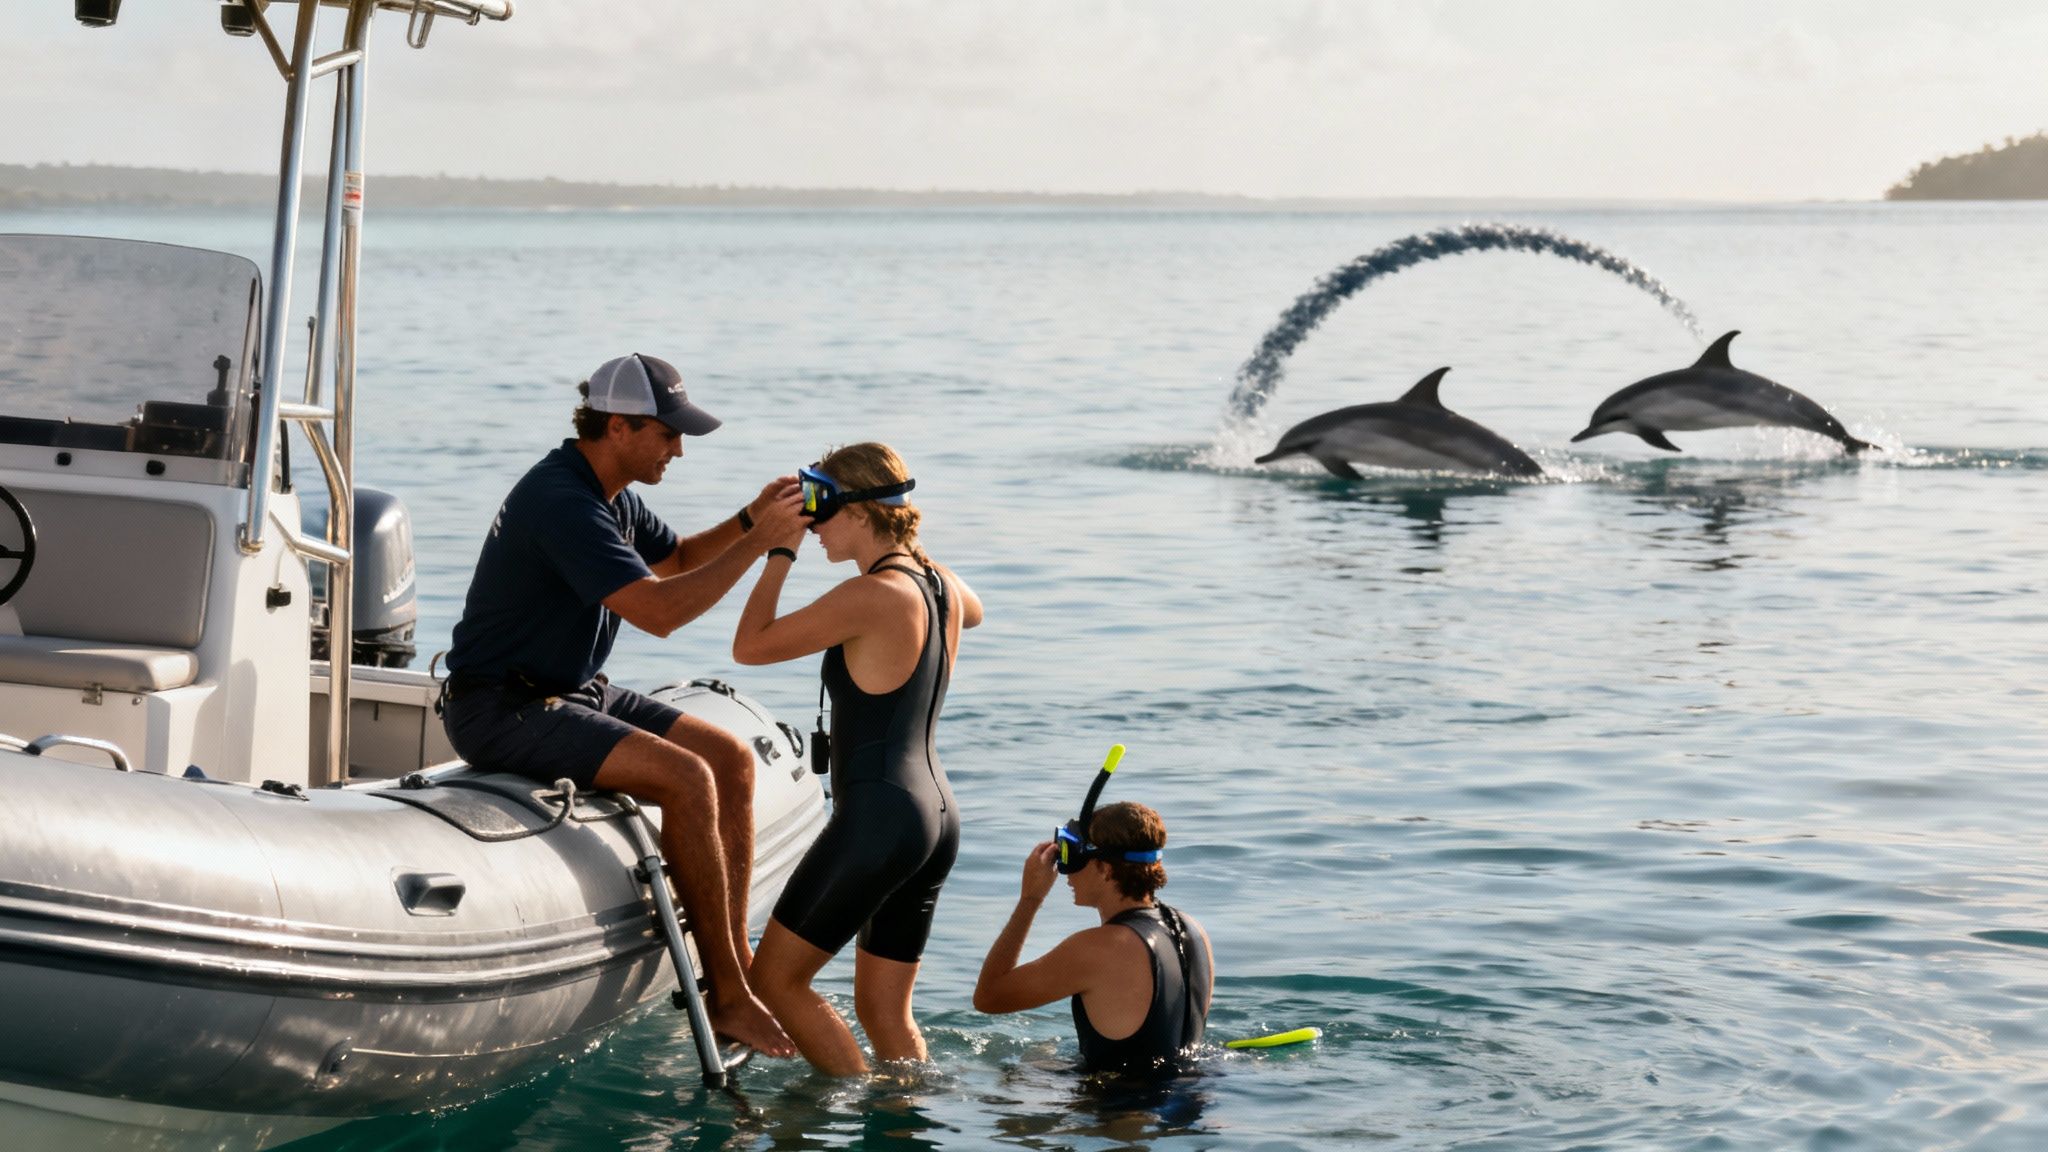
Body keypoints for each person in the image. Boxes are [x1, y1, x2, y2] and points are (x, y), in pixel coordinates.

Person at [439, 352, 802, 1057]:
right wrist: (762, 544)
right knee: (688, 778)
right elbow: (659, 612)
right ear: (618, 426)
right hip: (501, 707)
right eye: (667, 434)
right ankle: (727, 994)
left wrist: (749, 517)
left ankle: (740, 969)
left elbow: (674, 561)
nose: (678, 449)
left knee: (727, 757)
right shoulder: (562, 502)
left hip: (573, 687)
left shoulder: (611, 493)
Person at [730, 442, 984, 1076]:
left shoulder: (871, 596)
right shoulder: (938, 585)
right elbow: (974, 613)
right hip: (936, 817)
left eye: (821, 511)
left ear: (863, 512)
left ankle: (852, 1099)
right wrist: (907, 549)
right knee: (885, 1012)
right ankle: (900, 1119)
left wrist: (779, 550)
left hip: (880, 817)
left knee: (776, 981)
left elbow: (749, 645)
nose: (813, 526)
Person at [974, 801, 1214, 1076]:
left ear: (1106, 869)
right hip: (1191, 1097)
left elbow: (988, 997)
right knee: (1037, 1059)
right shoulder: (1193, 930)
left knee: (999, 1080)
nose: (1066, 871)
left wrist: (1030, 899)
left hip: (1118, 1112)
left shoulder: (1098, 948)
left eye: (1072, 856)